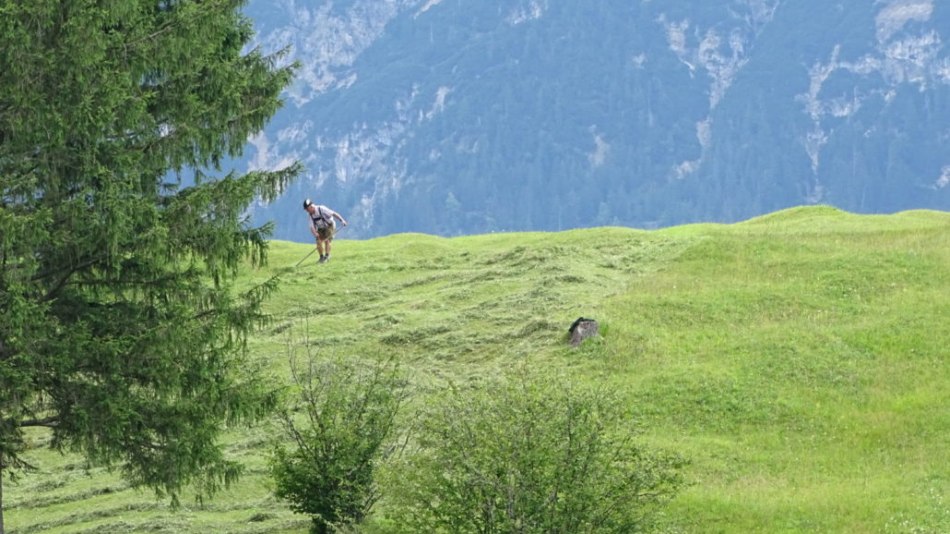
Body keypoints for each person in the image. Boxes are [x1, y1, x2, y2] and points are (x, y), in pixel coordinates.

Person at [303, 198, 348, 263]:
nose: (307, 211)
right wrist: (315, 234)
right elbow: (312, 227)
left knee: (327, 240)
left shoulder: (321, 209)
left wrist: (342, 220)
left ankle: (327, 256)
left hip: (329, 225)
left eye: (307, 209)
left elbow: (333, 213)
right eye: (306, 210)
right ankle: (321, 257)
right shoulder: (310, 216)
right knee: (318, 242)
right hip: (320, 228)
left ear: (311, 206)